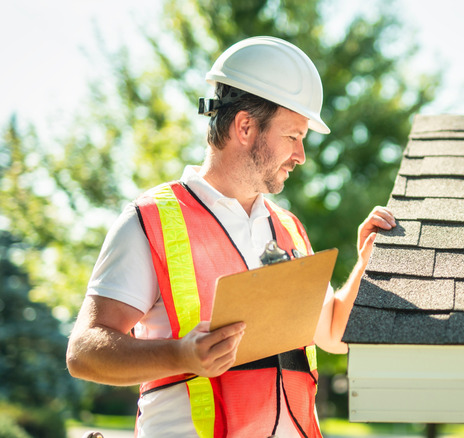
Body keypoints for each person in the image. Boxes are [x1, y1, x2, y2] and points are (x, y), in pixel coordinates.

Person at [66, 36, 396, 437]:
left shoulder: (288, 229)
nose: (301, 156)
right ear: (245, 126)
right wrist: (182, 355)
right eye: (293, 136)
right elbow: (84, 353)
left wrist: (366, 263)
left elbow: (333, 333)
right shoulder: (150, 220)